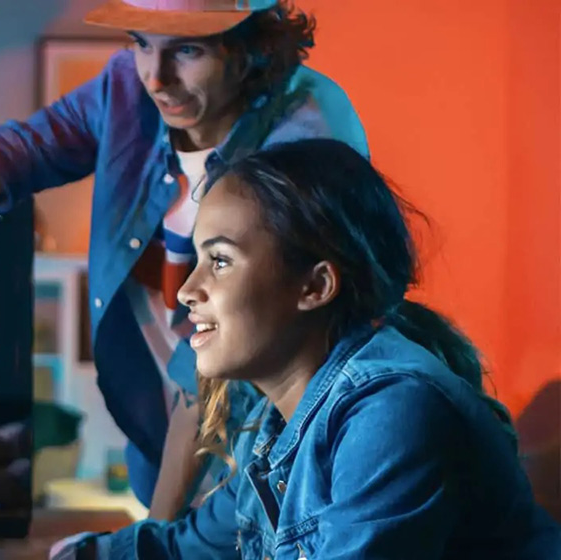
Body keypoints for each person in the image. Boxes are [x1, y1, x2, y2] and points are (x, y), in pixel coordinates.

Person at [0, 0, 368, 518]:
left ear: (252, 45)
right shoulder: (124, 92)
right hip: (164, 455)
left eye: (187, 51)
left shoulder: (307, 130)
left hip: (273, 466)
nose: (155, 77)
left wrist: (158, 536)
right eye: (140, 43)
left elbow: (213, 375)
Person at [48, 138, 561, 559]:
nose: (187, 291)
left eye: (221, 262)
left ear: (315, 287)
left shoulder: (393, 412)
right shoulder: (273, 428)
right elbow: (188, 548)